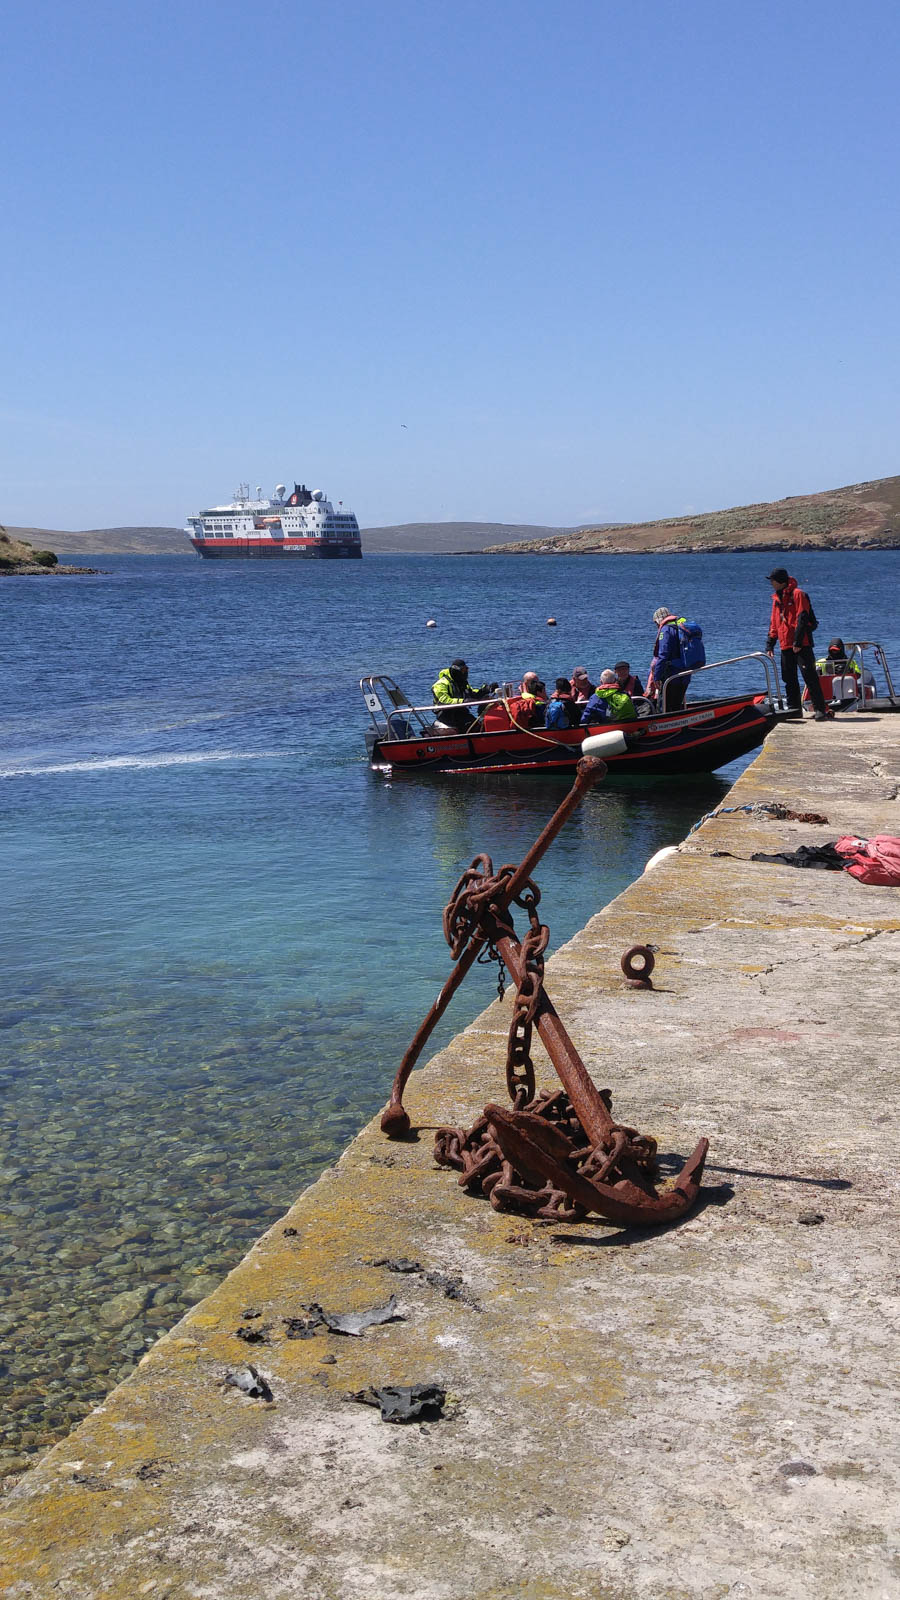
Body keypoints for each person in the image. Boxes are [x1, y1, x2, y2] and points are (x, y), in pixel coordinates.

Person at [764, 569, 831, 720]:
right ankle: (794, 709)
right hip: (785, 645)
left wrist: (798, 641)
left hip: (802, 644)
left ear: (781, 581)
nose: (771, 583)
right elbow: (774, 623)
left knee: (810, 677)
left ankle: (820, 709)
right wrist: (770, 645)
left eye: (772, 580)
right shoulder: (776, 600)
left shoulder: (798, 594)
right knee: (789, 679)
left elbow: (803, 616)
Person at [432, 658, 497, 732]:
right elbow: (444, 701)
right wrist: (463, 701)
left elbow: (471, 693)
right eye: (463, 670)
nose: (465, 672)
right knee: (472, 726)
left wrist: (486, 690)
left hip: (461, 712)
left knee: (478, 724)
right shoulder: (441, 684)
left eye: (466, 670)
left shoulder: (461, 682)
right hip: (447, 714)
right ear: (456, 671)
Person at [646, 607, 689, 711]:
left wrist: (657, 676)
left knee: (666, 706)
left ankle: (668, 724)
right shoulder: (680, 627)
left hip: (671, 675)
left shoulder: (666, 630)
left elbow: (663, 655)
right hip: (685, 674)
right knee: (677, 705)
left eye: (656, 623)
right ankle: (681, 722)